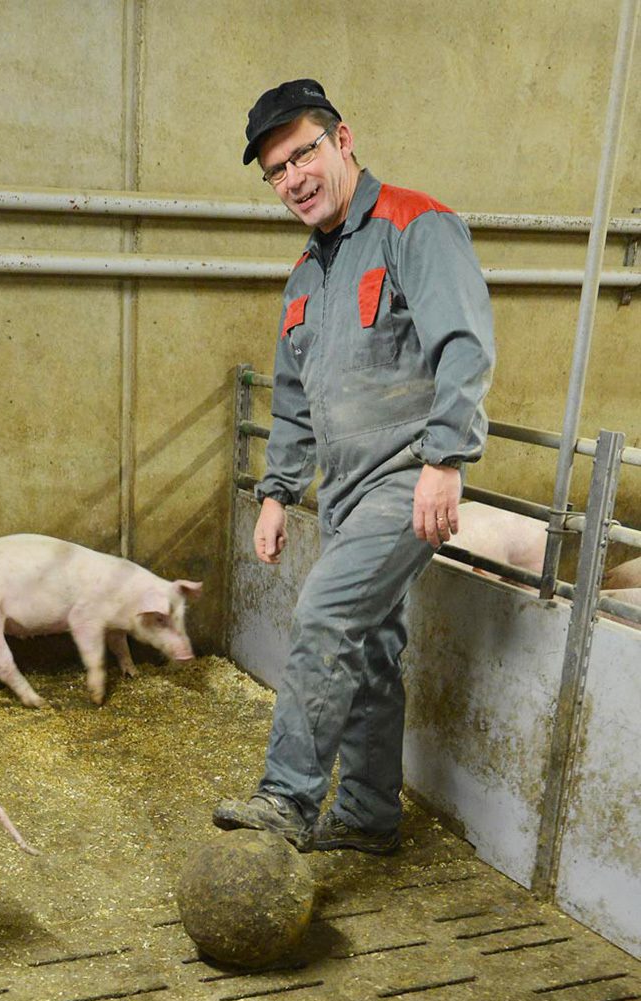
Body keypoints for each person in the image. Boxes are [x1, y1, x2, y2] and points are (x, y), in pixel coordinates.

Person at [213, 78, 495, 854]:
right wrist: (276, 492)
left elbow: (464, 346)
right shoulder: (306, 276)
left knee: (327, 616)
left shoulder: (416, 225)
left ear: (343, 141)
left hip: (406, 478)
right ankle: (369, 817)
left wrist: (447, 459)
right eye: (274, 171)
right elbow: (297, 396)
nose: (292, 179)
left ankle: (286, 798)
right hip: (342, 491)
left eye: (301, 153)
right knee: (368, 650)